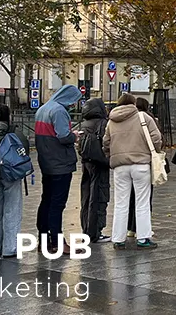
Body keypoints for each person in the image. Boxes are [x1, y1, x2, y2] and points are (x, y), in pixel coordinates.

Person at [103, 92, 162, 249]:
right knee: (142, 202)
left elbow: (106, 142)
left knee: (121, 203)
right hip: (141, 164)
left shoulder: (111, 121)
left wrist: (112, 155)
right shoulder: (143, 117)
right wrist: (153, 152)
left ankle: (118, 239)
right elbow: (156, 138)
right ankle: (143, 238)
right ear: (133, 103)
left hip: (120, 166)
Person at [34, 84, 82, 253]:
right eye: (75, 100)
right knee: (57, 203)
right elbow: (63, 136)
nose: (74, 104)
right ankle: (58, 241)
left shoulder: (43, 109)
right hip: (60, 162)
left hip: (46, 162)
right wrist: (74, 136)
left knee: (46, 200)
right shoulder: (59, 111)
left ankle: (43, 239)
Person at [0, 103, 29, 258]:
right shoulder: (14, 131)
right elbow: (24, 149)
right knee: (12, 210)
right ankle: (10, 247)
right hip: (10, 175)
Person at [76, 98, 111, 243]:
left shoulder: (83, 124)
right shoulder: (102, 124)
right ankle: (95, 232)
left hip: (87, 163)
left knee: (86, 196)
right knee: (99, 196)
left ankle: (86, 228)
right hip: (100, 163)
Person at [127, 96, 156, 237]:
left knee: (128, 198)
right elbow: (157, 139)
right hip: (144, 161)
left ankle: (129, 229)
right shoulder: (148, 119)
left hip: (125, 161)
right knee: (144, 198)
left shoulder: (125, 119)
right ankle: (142, 231)